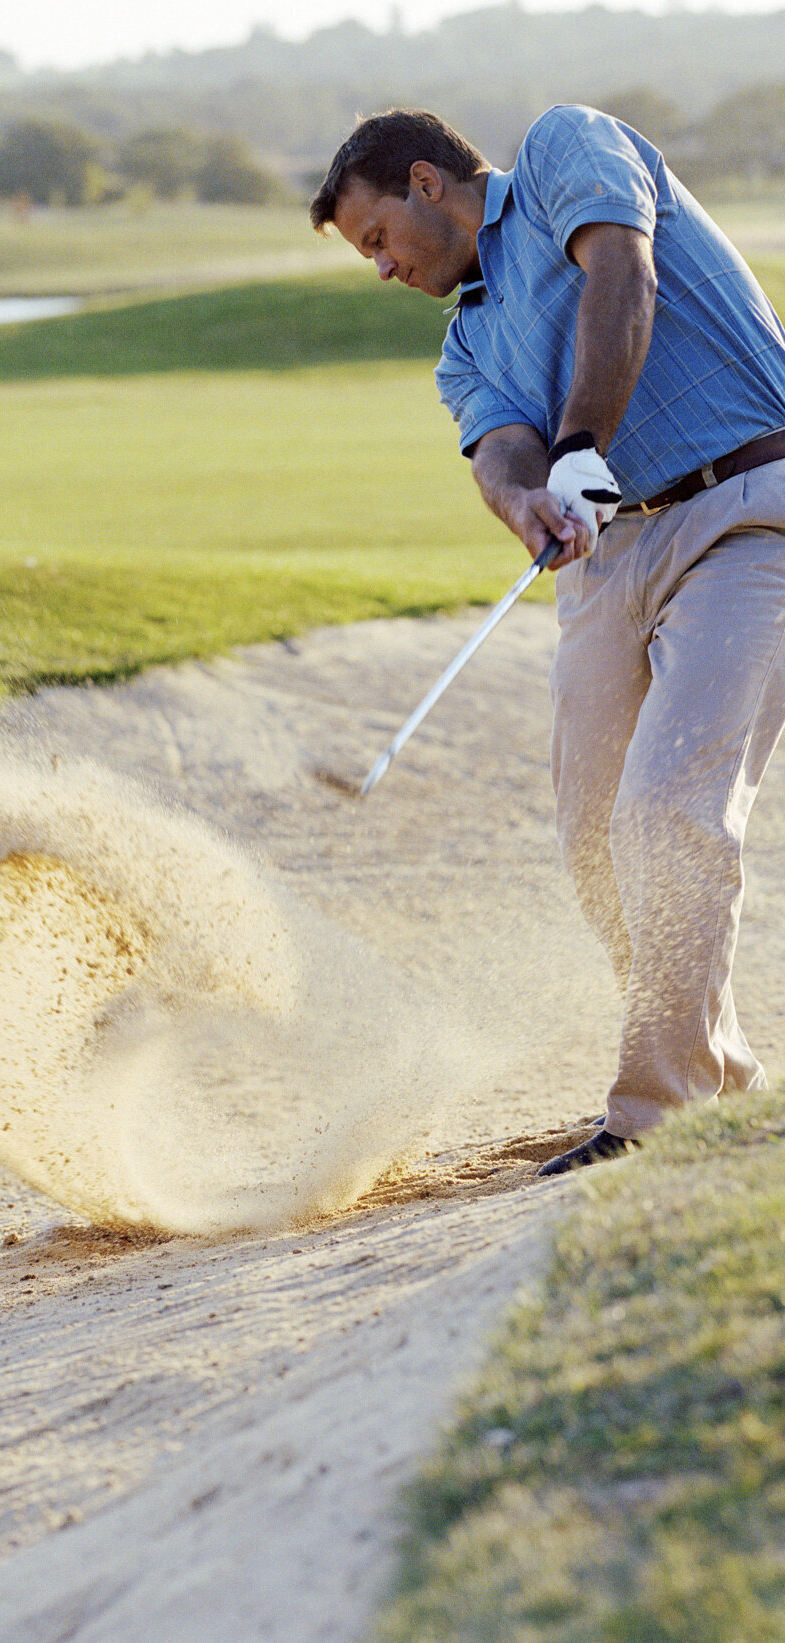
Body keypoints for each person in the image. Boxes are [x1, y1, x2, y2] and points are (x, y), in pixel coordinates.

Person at [310, 104, 785, 1174]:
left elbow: (626, 274)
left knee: (671, 807)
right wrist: (528, 499)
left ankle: (655, 1111)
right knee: (593, 838)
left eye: (377, 238)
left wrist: (582, 443)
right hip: (611, 561)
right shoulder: (467, 343)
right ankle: (720, 1070)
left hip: (751, 509)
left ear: (429, 183)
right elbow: (502, 451)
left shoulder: (571, 147)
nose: (379, 268)